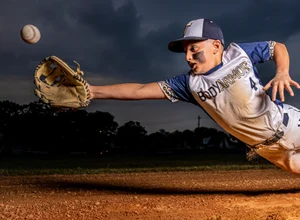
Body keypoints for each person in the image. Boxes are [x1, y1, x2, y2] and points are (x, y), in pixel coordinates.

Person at [88, 18, 300, 175]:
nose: (188, 57)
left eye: (194, 49)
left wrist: (282, 72)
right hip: (270, 151)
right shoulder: (189, 84)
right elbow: (140, 90)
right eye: (185, 52)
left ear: (216, 46)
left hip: (289, 123)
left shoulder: (238, 54)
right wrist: (93, 91)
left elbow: (276, 47)